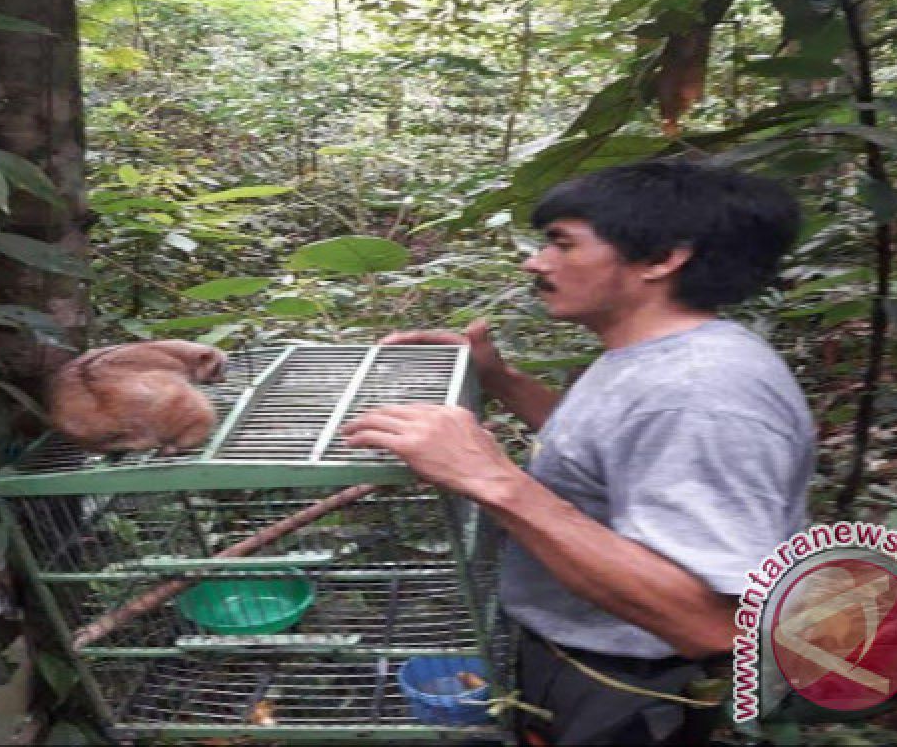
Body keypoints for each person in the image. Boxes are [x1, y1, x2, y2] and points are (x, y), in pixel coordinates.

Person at [341, 159, 815, 745]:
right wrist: (502, 379)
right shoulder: (659, 356)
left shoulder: (702, 393)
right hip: (583, 658)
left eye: (563, 245)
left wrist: (492, 479)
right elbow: (611, 456)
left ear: (663, 259)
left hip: (638, 687)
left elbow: (716, 623)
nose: (536, 263)